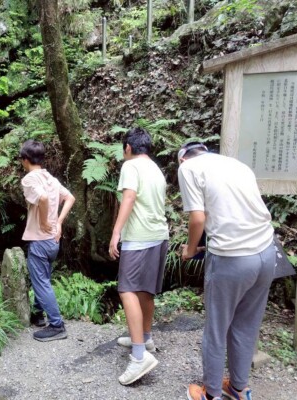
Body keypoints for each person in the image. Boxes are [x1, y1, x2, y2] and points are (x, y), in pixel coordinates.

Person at [177, 142, 275, 400]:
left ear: (183, 159)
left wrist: (189, 250)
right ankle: (238, 388)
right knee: (246, 324)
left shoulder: (188, 168)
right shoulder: (235, 164)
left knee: (217, 328)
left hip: (232, 258)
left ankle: (211, 394)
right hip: (266, 253)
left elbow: (198, 218)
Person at [108, 127, 169, 385]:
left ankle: (139, 356)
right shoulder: (155, 168)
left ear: (128, 148)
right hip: (159, 235)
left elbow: (129, 197)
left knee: (127, 290)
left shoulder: (130, 166)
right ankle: (145, 337)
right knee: (145, 290)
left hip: (139, 237)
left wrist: (116, 233)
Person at [20, 139, 76, 342]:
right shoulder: (50, 178)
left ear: (25, 160)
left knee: (41, 282)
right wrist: (58, 222)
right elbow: (70, 198)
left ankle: (56, 325)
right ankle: (38, 314)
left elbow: (42, 198)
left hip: (40, 240)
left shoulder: (29, 180)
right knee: (43, 278)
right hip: (53, 240)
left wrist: (44, 221)